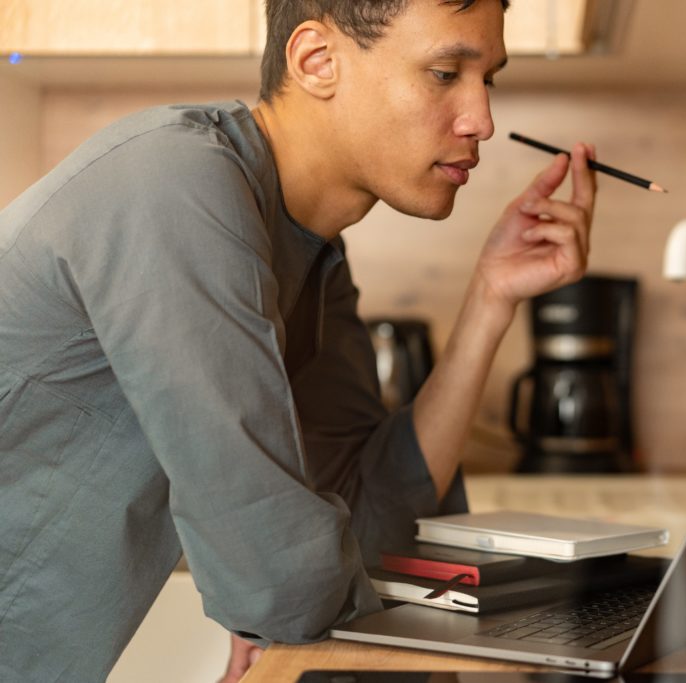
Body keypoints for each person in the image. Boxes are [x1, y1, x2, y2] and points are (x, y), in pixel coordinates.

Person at [0, 0, 597, 681]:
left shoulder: (308, 257)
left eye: (487, 78)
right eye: (443, 72)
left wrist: (493, 298)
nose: (482, 119)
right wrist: (288, 587)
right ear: (317, 62)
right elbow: (273, 573)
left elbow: (378, 526)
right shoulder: (175, 185)